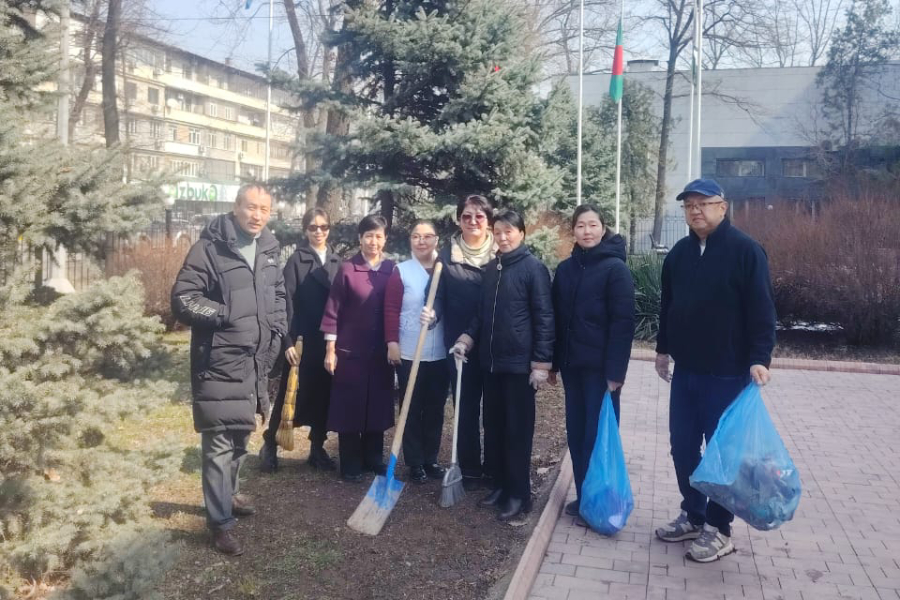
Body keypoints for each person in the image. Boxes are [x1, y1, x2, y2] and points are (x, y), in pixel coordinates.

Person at [654, 178, 777, 562]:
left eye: (703, 204)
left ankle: (719, 528)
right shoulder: (679, 254)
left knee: (722, 454)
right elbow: (668, 306)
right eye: (689, 205)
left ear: (722, 207)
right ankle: (693, 514)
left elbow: (762, 310)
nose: (695, 211)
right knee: (682, 447)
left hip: (728, 373)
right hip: (687, 372)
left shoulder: (746, 251)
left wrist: (760, 357)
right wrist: (662, 350)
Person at [171, 183, 287, 556]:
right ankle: (220, 523)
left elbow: (278, 294)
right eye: (251, 207)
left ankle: (230, 495)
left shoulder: (269, 249)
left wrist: (277, 330)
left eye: (264, 209)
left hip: (255, 361)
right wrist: (224, 314)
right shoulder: (210, 248)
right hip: (219, 363)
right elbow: (183, 298)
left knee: (240, 435)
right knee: (219, 443)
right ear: (236, 207)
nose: (257, 215)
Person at [452, 210, 554, 521]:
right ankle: (499, 485)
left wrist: (541, 363)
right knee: (494, 428)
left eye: (509, 231)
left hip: (519, 367)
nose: (503, 237)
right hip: (491, 364)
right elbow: (482, 314)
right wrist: (467, 338)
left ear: (521, 233)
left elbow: (545, 317)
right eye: (498, 232)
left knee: (517, 432)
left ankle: (519, 494)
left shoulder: (533, 268)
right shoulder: (492, 269)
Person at [550, 204, 635, 519]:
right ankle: (586, 497)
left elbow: (623, 324)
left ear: (603, 228)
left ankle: (604, 502)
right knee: (577, 434)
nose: (587, 231)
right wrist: (554, 364)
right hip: (573, 369)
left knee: (598, 437)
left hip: (601, 372)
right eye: (581, 226)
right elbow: (557, 320)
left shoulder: (616, 269)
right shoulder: (566, 269)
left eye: (593, 225)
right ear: (573, 230)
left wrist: (616, 373)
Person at [259, 208, 342, 473]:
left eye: (324, 227)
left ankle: (317, 447)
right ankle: (270, 443)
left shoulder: (337, 261)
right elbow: (285, 304)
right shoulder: (297, 261)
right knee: (290, 393)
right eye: (313, 227)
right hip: (301, 339)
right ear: (305, 230)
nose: (319, 232)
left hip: (327, 341)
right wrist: (287, 341)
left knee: (323, 394)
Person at [320, 215, 396, 482]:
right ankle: (350, 462)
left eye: (378, 236)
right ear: (360, 238)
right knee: (349, 407)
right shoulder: (347, 270)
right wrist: (330, 350)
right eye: (368, 236)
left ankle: (373, 458)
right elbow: (333, 311)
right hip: (350, 352)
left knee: (377, 404)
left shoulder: (391, 270)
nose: (373, 241)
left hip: (380, 353)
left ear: (385, 239)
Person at [436, 194, 496, 491]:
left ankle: (495, 468)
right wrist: (431, 313)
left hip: (495, 343)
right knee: (466, 407)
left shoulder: (501, 253)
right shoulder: (447, 255)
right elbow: (437, 294)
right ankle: (470, 469)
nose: (473, 221)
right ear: (459, 220)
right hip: (460, 346)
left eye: (479, 216)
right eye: (466, 216)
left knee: (495, 408)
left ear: (489, 220)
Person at [384, 220, 449, 483]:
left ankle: (430, 458)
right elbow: (391, 309)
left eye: (427, 236)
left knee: (435, 407)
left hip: (440, 351)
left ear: (436, 240)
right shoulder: (401, 271)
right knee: (411, 406)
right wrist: (392, 342)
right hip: (410, 350)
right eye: (416, 236)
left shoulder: (445, 269)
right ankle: (414, 462)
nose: (421, 241)